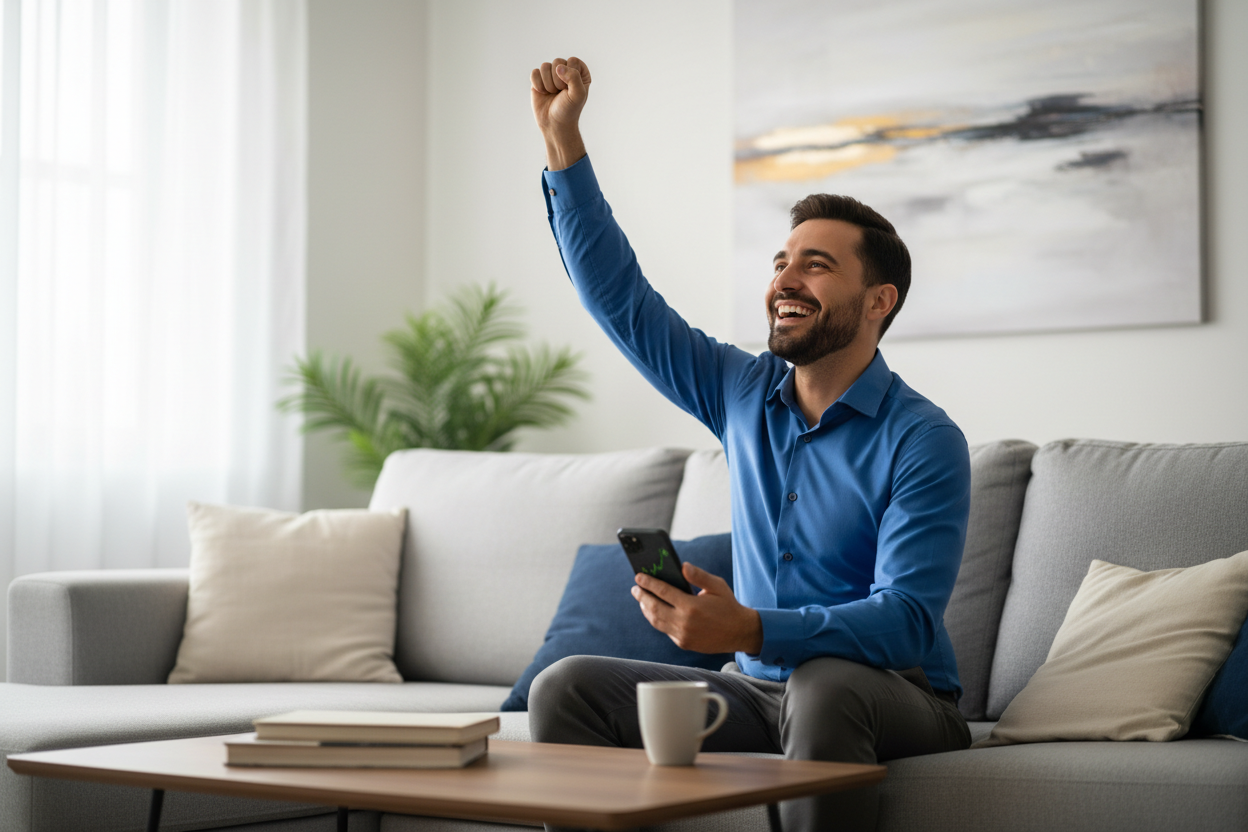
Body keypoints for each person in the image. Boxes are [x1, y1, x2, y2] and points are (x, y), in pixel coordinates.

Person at [526, 56, 972, 832]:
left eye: (816, 265)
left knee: (826, 686)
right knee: (565, 686)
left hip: (895, 695)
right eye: (781, 262)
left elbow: (905, 620)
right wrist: (564, 144)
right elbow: (622, 302)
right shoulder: (739, 390)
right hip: (758, 688)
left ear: (878, 301)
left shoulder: (923, 439)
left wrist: (754, 628)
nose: (786, 279)